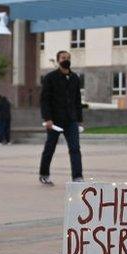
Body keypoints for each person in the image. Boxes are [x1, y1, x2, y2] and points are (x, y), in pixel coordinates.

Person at [39, 50, 84, 185]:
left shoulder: (75, 78)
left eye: (68, 58)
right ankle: (44, 174)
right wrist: (47, 118)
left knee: (75, 148)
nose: (66, 60)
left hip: (71, 120)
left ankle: (77, 177)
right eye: (63, 58)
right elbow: (44, 100)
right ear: (58, 60)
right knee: (50, 147)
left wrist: (79, 119)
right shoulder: (50, 77)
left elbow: (77, 99)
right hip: (55, 120)